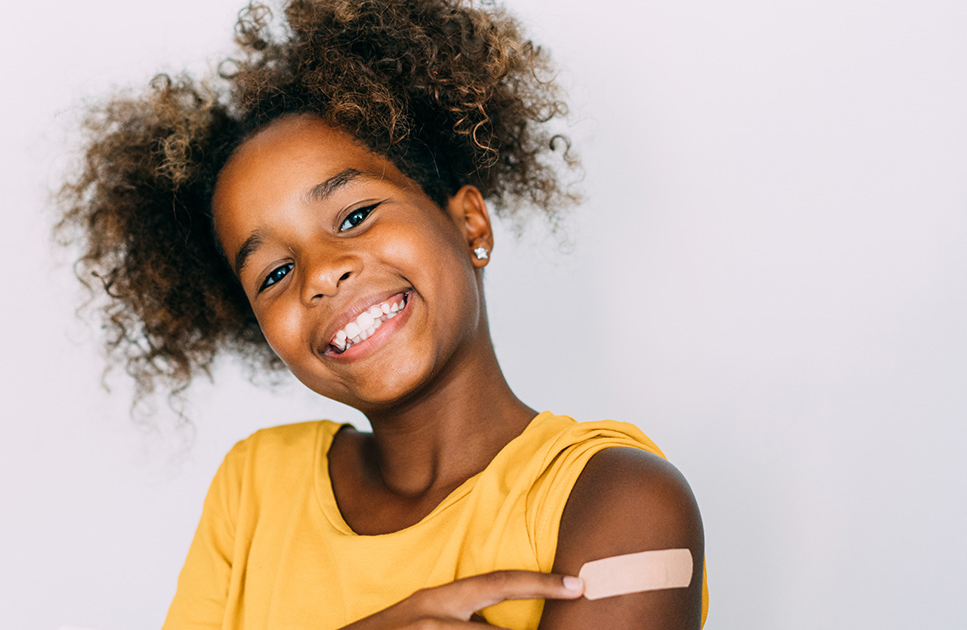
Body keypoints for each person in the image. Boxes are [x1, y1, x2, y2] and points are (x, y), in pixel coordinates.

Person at [53, 0, 708, 628]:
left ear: (469, 222)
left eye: (356, 215)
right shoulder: (255, 489)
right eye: (275, 274)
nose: (321, 273)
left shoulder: (617, 499)